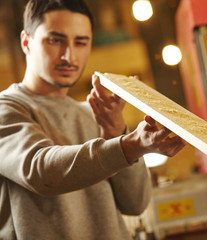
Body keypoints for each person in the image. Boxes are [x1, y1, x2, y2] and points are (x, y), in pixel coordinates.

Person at [0, 0, 186, 239]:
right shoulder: (8, 109)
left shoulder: (93, 113)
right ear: (26, 41)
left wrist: (115, 132)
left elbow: (135, 204)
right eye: (55, 40)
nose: (69, 55)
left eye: (81, 42)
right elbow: (39, 171)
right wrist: (129, 145)